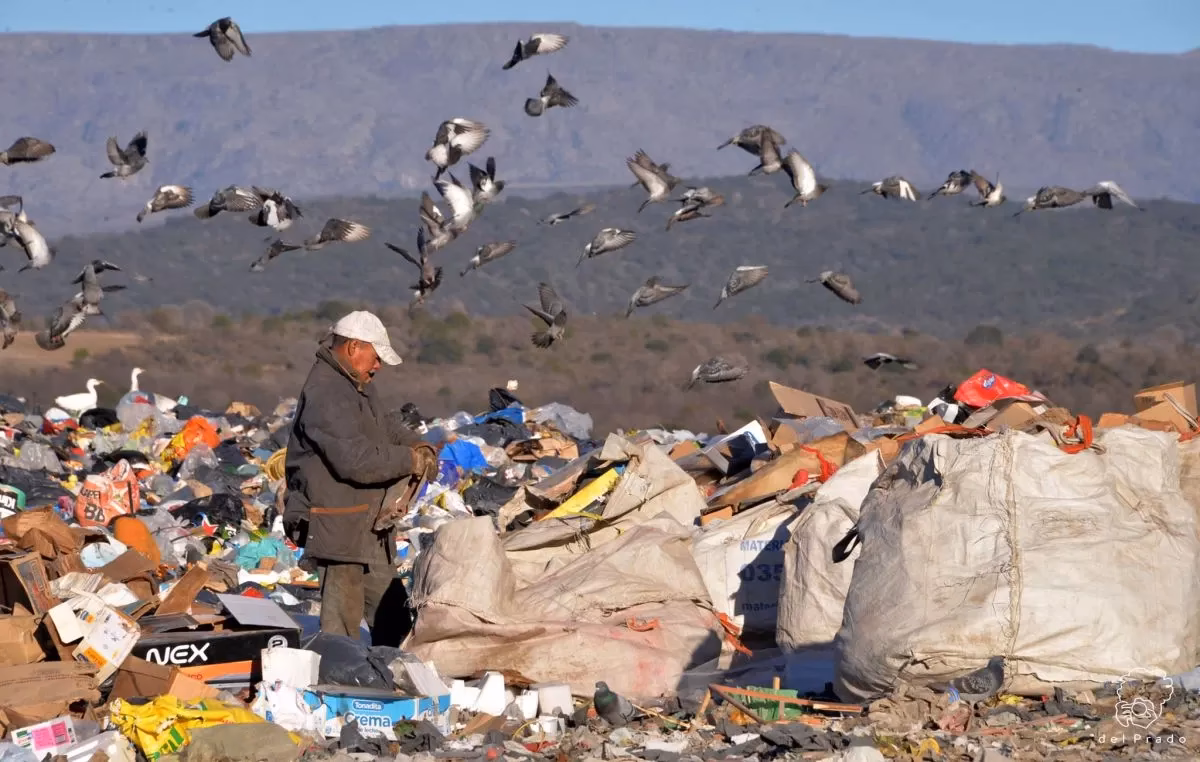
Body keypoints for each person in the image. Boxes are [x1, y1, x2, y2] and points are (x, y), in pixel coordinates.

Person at [282, 310, 439, 645]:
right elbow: (353, 459)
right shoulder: (327, 391)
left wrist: (419, 446)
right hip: (336, 528)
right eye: (377, 356)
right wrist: (409, 460)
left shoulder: (355, 385)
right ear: (354, 348)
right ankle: (340, 690)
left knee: (394, 617)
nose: (378, 365)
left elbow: (385, 426)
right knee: (342, 628)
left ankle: (392, 679)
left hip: (365, 527)